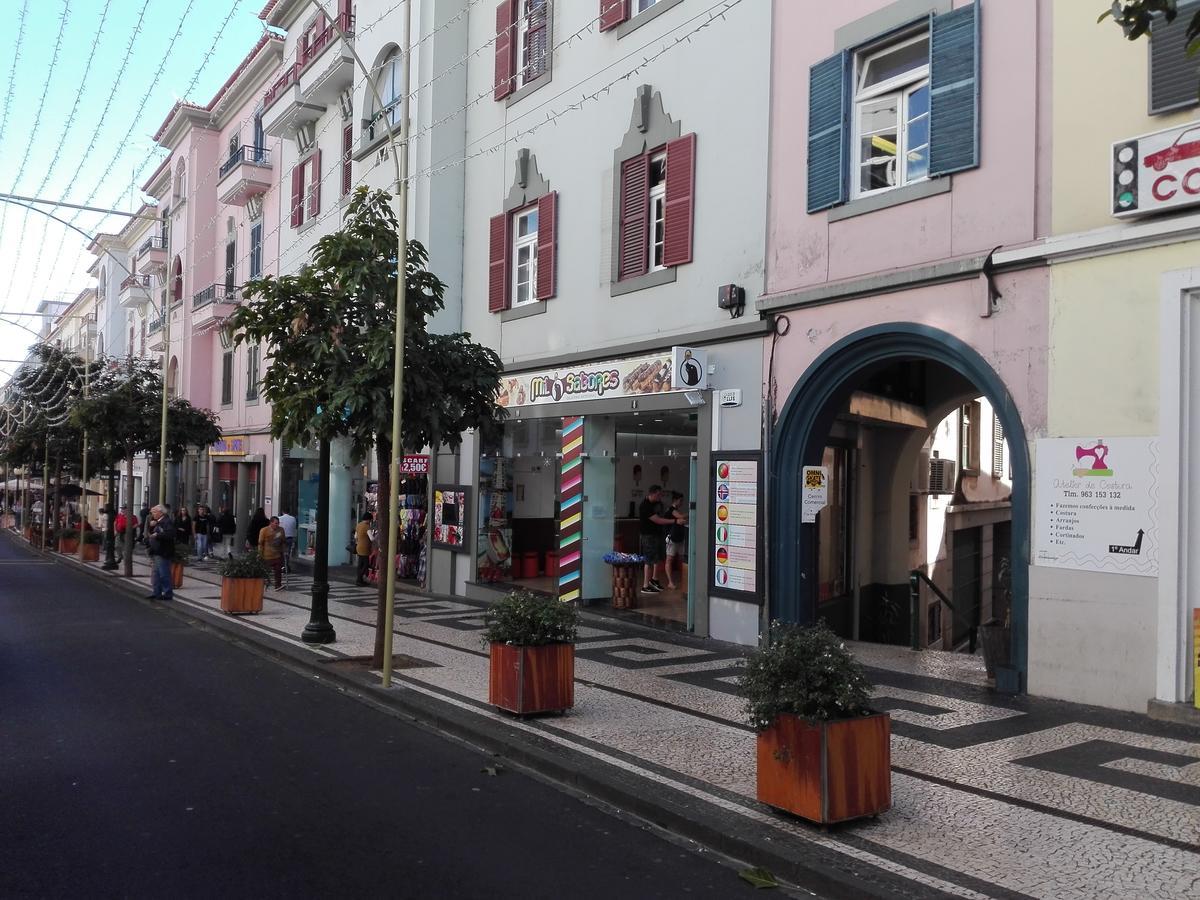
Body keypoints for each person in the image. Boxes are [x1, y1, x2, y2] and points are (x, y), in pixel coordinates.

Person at [638, 485, 675, 594]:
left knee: (657, 558)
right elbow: (658, 520)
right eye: (659, 494)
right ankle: (645, 585)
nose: (660, 497)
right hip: (648, 535)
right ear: (652, 493)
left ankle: (654, 580)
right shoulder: (645, 506)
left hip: (657, 534)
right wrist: (674, 521)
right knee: (648, 559)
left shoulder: (657, 504)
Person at [145, 505, 177, 601]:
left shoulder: (167, 521)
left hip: (163, 551)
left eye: (154, 512)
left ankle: (168, 593)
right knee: (155, 574)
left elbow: (171, 534)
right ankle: (156, 592)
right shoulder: (158, 522)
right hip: (156, 551)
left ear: (161, 512)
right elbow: (152, 534)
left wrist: (158, 535)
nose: (152, 514)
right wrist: (151, 528)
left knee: (164, 573)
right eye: (152, 512)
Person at [664, 492, 689, 591]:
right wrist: (692, 511)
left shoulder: (675, 510)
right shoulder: (671, 510)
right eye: (681, 500)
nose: (682, 502)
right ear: (676, 500)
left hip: (679, 538)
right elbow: (680, 517)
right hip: (672, 539)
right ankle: (670, 582)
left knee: (682, 559)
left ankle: (683, 579)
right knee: (669, 559)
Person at [258, 515, 286, 590]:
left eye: (278, 523)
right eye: (275, 523)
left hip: (277, 554)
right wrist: (260, 553)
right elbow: (260, 543)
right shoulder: (264, 530)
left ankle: (278, 585)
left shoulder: (281, 530)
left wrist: (283, 550)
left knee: (278, 569)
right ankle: (265, 583)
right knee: (266, 571)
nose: (277, 525)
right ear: (271, 523)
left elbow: (283, 541)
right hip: (267, 555)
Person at [354, 513, 373, 586]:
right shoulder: (367, 527)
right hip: (365, 548)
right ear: (368, 519)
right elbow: (371, 538)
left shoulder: (358, 525)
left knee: (360, 564)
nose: (371, 521)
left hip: (358, 547)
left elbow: (355, 536)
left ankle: (360, 580)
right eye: (370, 520)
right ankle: (359, 579)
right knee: (365, 565)